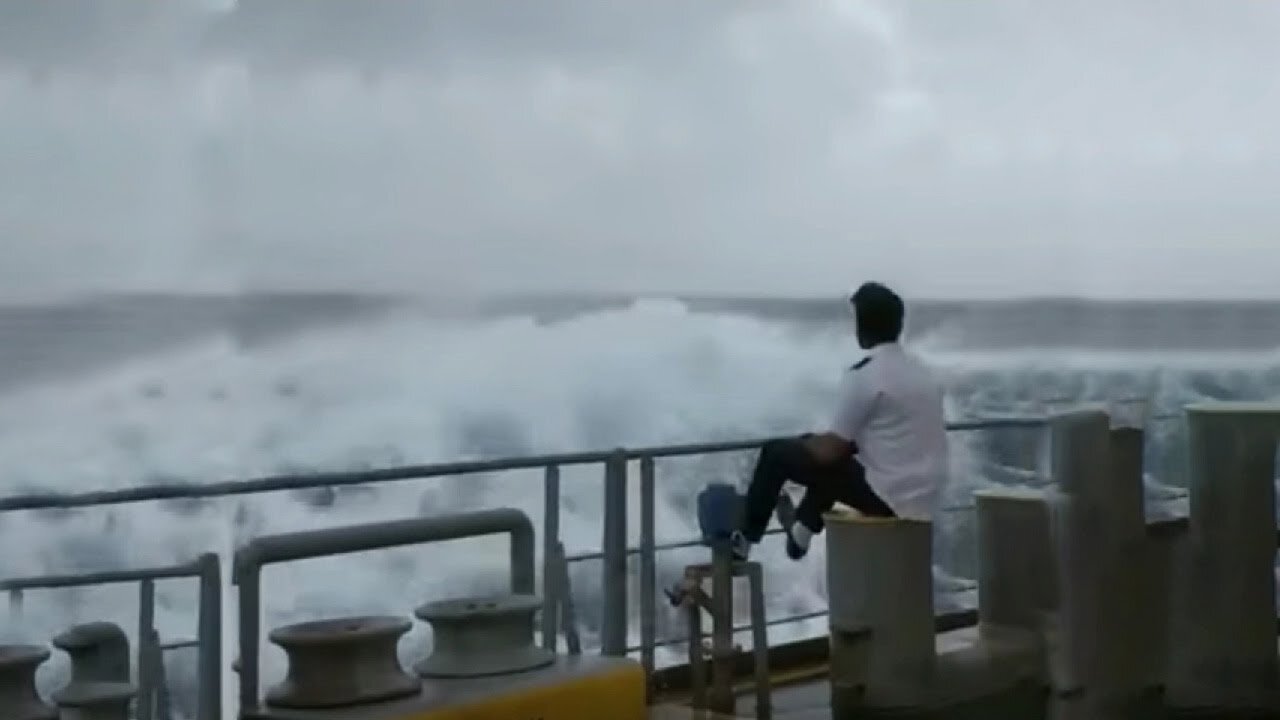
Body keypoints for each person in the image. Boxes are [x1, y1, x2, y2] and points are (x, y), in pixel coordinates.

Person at [732, 282, 948, 561]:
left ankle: (745, 541)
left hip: (891, 499)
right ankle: (802, 531)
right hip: (926, 496)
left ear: (861, 326)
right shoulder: (922, 373)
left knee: (777, 453)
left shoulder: (864, 375)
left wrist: (805, 442)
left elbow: (830, 451)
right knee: (841, 460)